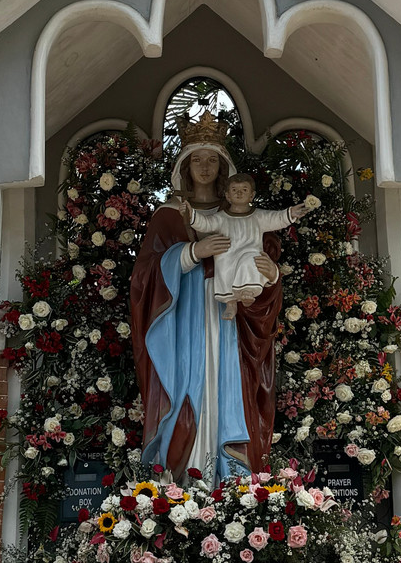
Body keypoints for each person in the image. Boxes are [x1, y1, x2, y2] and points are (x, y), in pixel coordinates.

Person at [130, 113, 282, 482]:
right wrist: (191, 254)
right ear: (184, 165)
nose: (204, 166)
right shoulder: (168, 216)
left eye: (212, 159)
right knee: (187, 389)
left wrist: (271, 274)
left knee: (230, 390)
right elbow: (143, 280)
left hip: (231, 325)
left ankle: (231, 479)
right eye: (196, 159)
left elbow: (265, 284)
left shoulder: (246, 218)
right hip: (183, 324)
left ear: (224, 168)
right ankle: (181, 481)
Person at [181, 173, 309, 320]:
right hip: (227, 255)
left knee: (252, 260)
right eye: (234, 190)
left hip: (249, 253)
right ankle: (230, 303)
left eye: (244, 190)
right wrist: (191, 215)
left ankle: (248, 292)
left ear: (252, 195)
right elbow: (205, 224)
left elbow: (276, 218)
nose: (239, 193)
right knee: (224, 268)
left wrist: (290, 213)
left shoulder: (258, 216)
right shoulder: (221, 218)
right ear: (228, 196)